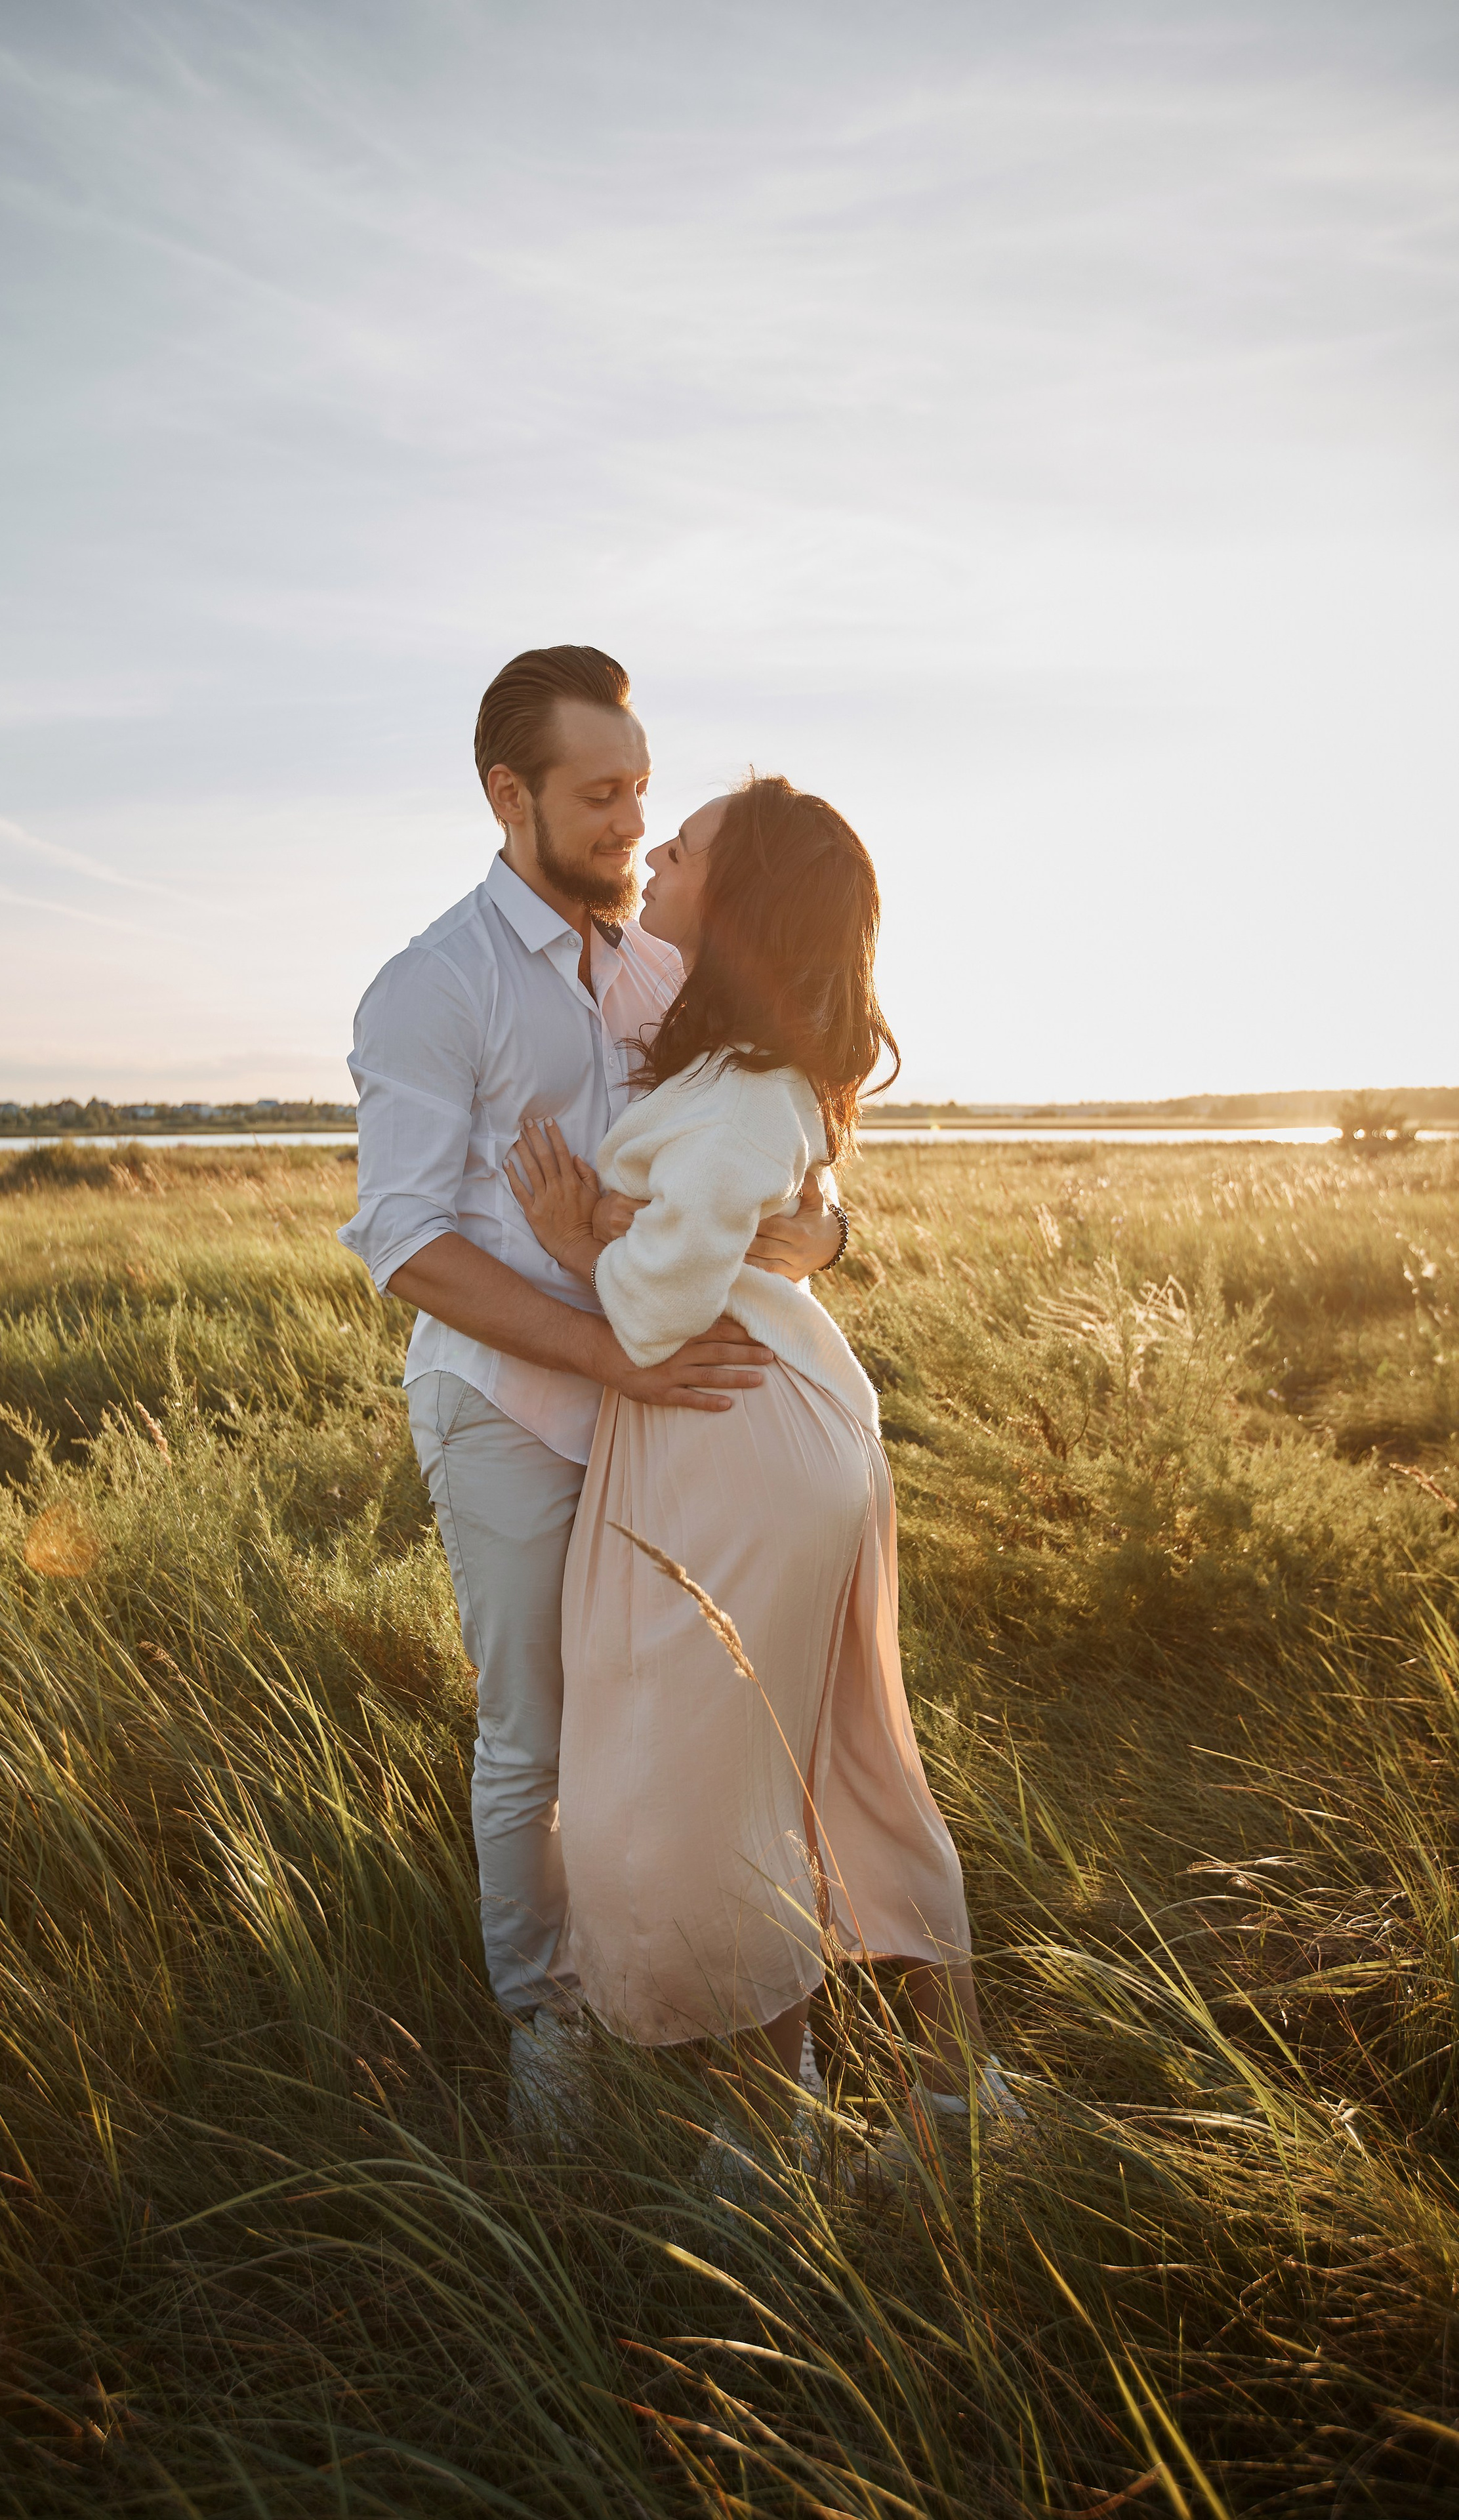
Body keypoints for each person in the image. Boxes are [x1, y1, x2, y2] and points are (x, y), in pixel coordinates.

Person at [338, 650, 842, 2125]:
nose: (637, 818)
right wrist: (613, 1354)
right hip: (512, 1414)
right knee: (537, 1736)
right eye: (601, 793)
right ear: (511, 796)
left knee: (693, 1722)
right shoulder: (433, 985)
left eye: (642, 785)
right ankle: (548, 2032)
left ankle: (707, 2011)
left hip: (673, 1426)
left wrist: (824, 1226)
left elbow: (786, 1121)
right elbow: (407, 1240)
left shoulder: (671, 956)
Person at [503, 773, 1019, 2145]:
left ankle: (778, 2129)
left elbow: (659, 1303)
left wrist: (574, 1239)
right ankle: (942, 2096)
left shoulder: (741, 1085)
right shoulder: (739, 1060)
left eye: (689, 846)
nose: (657, 847)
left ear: (737, 904)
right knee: (832, 1753)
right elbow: (755, 1203)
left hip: (727, 1425)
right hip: (758, 1423)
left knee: (717, 1780)